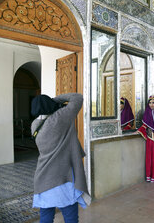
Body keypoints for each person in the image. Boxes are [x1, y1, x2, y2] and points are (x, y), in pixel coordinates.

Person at [30, 93, 91, 223]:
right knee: (70, 217)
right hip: (62, 178)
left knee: (46, 217)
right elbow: (77, 97)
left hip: (42, 178)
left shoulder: (34, 125)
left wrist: (48, 104)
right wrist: (53, 100)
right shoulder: (59, 119)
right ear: (49, 106)